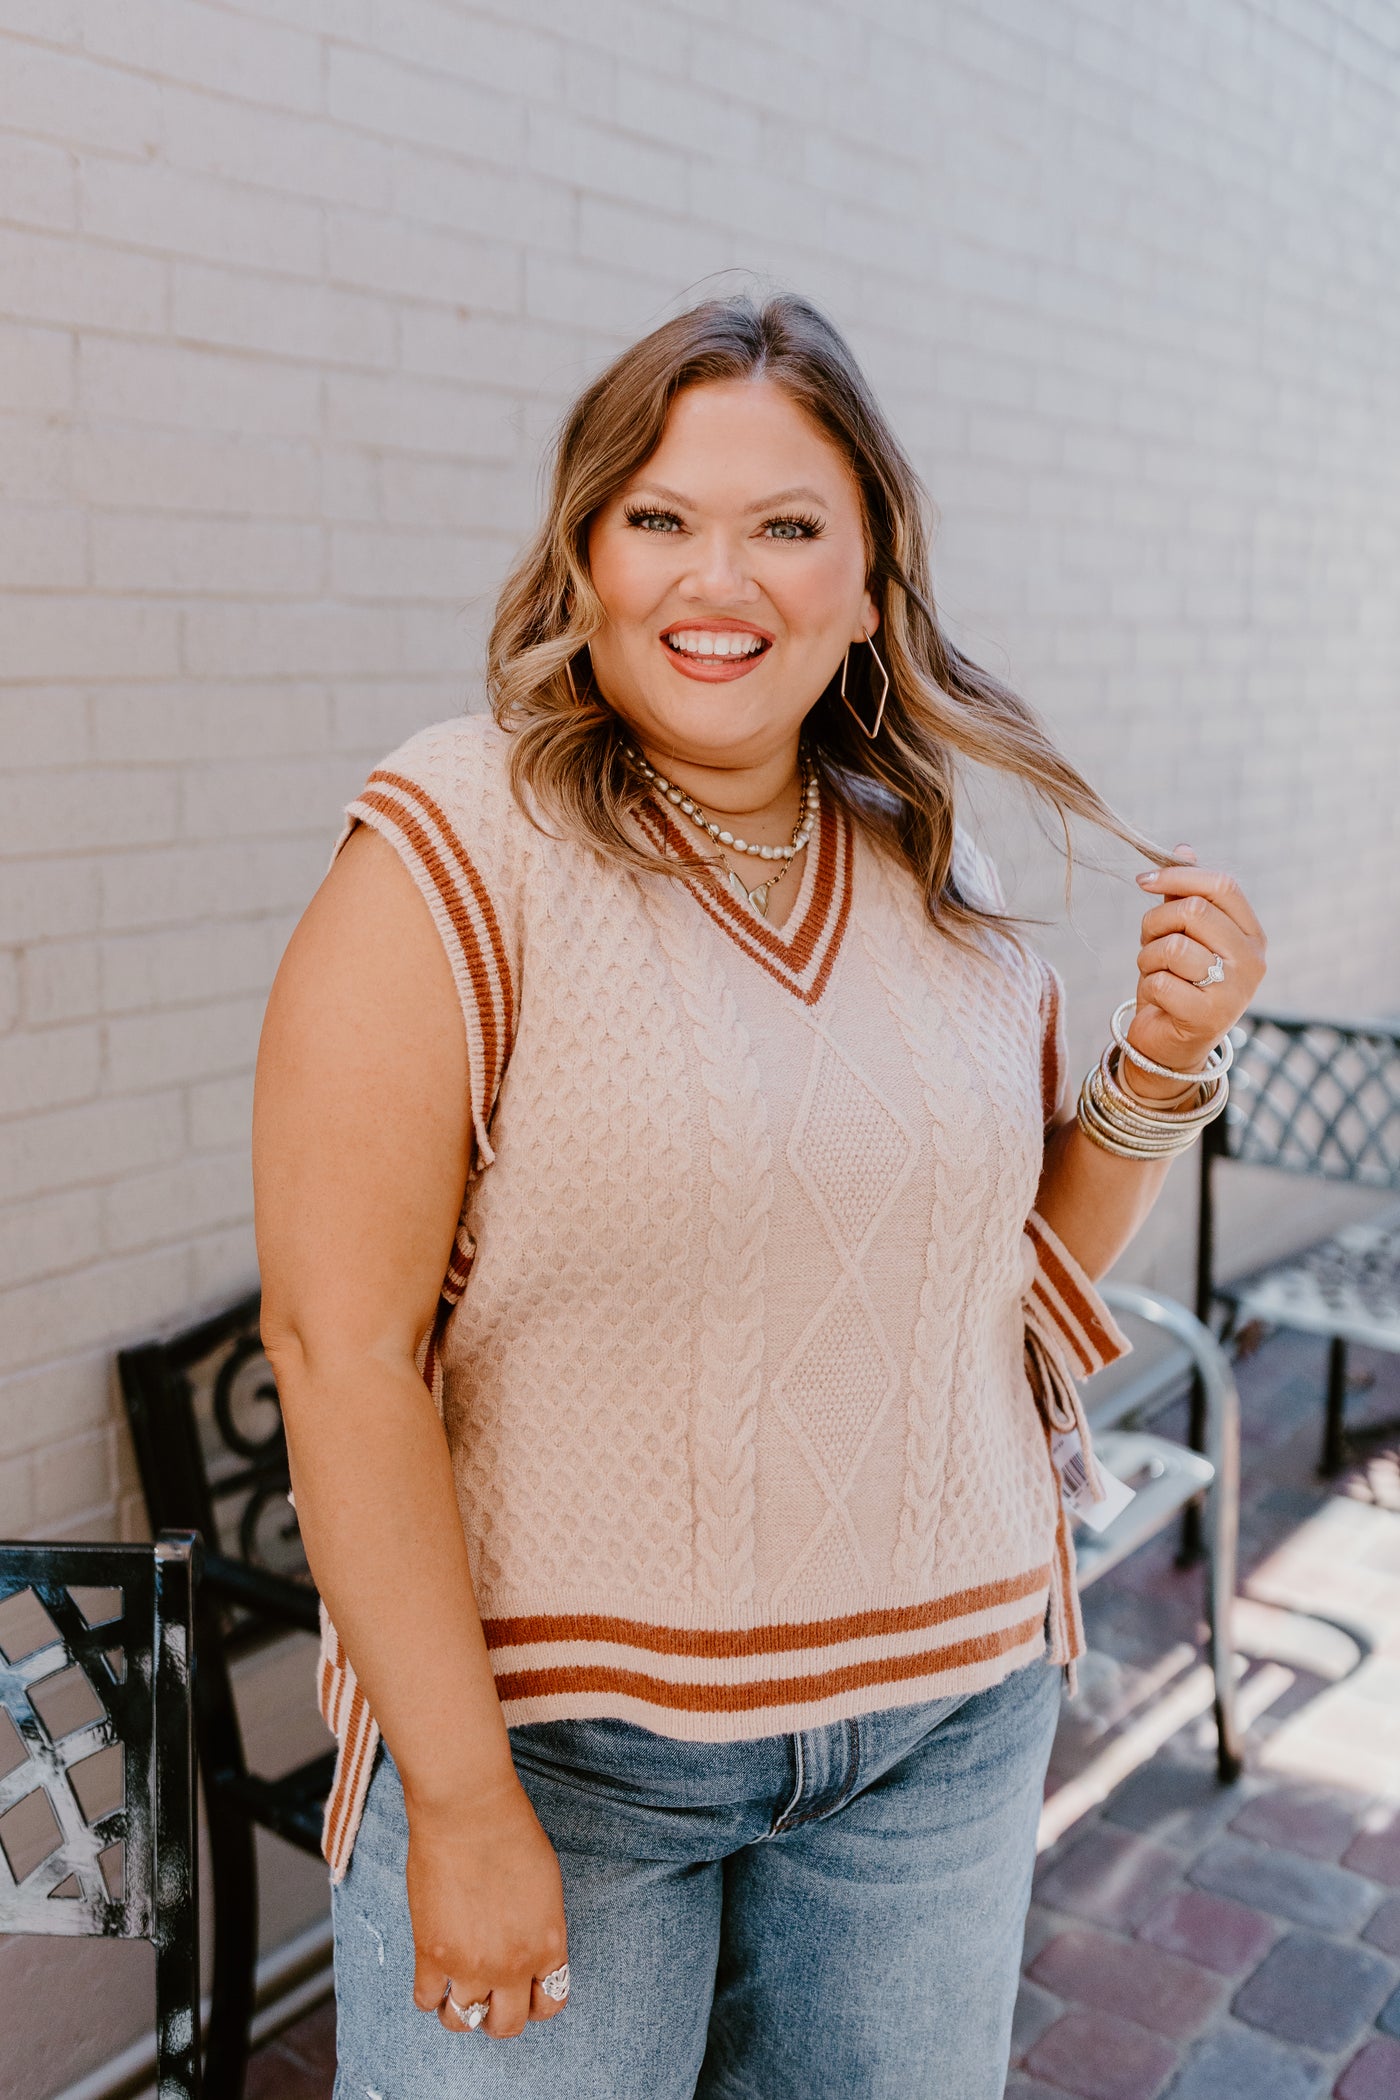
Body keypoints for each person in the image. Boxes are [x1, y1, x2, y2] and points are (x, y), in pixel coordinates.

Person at [253, 294, 1266, 2099]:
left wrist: (1161, 1061)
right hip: (566, 1758)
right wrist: (463, 1805)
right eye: (660, 518)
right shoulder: (454, 840)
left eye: (788, 526)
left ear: (869, 584)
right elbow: (342, 1351)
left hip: (943, 1723)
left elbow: (1007, 1297)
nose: (718, 578)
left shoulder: (942, 880)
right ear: (584, 555)